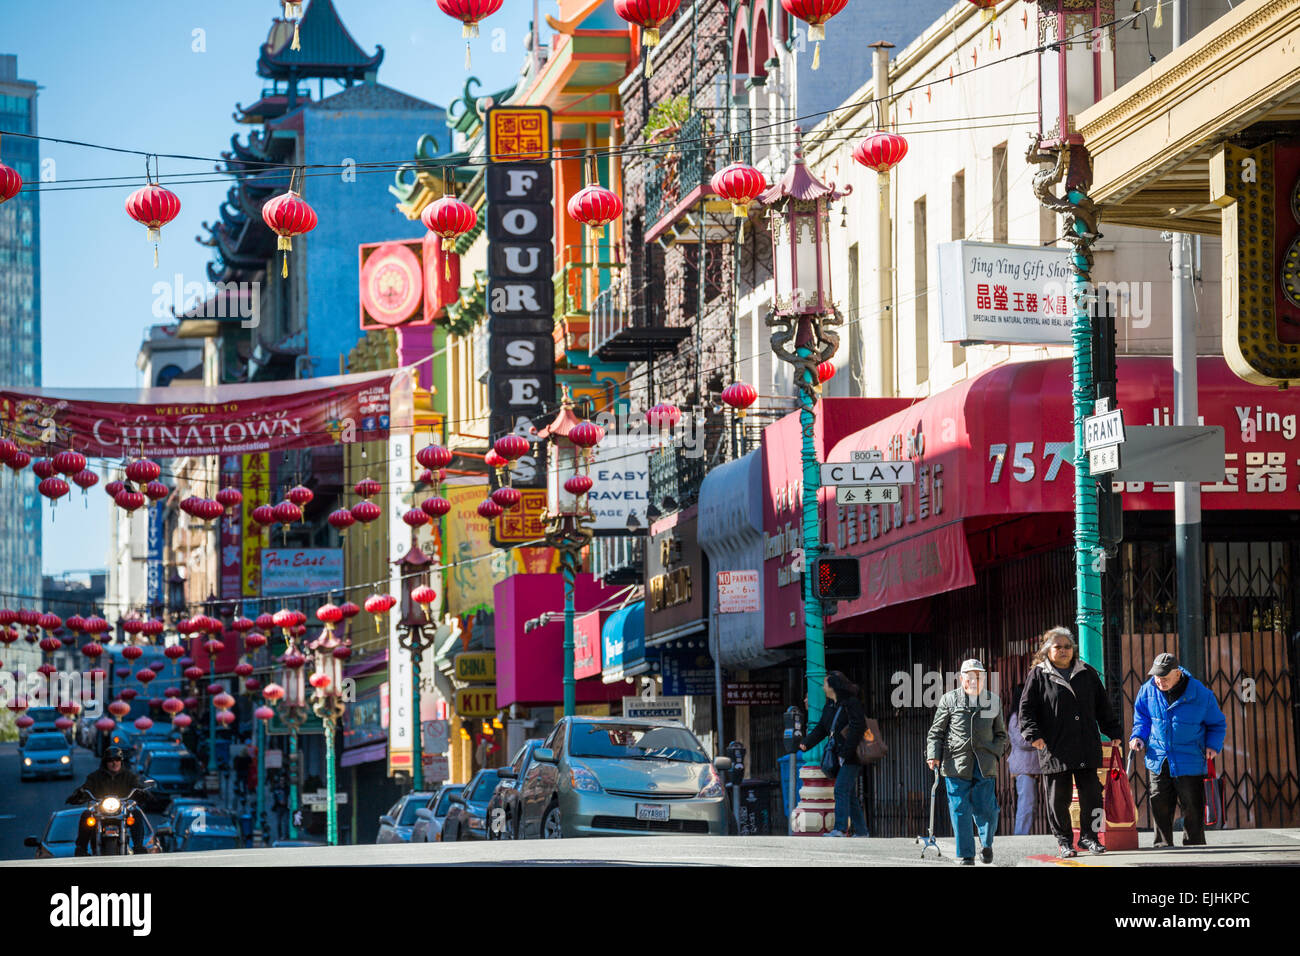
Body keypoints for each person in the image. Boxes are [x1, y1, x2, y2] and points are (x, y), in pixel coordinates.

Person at [1018, 626, 1123, 858]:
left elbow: (1102, 706)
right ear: (1048, 650)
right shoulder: (1039, 675)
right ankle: (1064, 841)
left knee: (1092, 794)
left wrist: (1113, 730)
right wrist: (1033, 735)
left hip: (1086, 745)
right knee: (1058, 798)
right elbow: (1026, 709)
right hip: (1055, 748)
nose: (1064, 651)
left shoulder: (1087, 672)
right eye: (1058, 647)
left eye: (1067, 647)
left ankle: (1091, 837)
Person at [1129, 652, 1227, 848]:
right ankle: (1162, 845)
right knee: (1159, 803)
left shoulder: (1201, 694)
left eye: (1164, 677)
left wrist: (1212, 745)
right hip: (1159, 757)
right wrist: (1138, 736)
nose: (1159, 681)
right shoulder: (1147, 690)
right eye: (1156, 676)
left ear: (1177, 673)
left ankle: (1194, 844)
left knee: (1192, 804)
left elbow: (1217, 724)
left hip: (1190, 758)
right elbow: (1142, 719)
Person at [926, 659, 1009, 865]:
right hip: (955, 763)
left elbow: (1001, 734)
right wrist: (933, 755)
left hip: (984, 764)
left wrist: (995, 754)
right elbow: (936, 732)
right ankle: (966, 854)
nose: (974, 680)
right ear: (961, 678)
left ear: (984, 679)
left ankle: (986, 843)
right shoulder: (949, 700)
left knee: (987, 808)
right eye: (969, 676)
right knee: (959, 809)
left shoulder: (993, 701)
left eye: (978, 676)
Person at [798, 671, 869, 838]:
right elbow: (822, 728)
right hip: (839, 755)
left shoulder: (851, 703)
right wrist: (806, 743)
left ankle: (840, 829)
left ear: (833, 686)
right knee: (849, 793)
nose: (823, 687)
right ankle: (861, 831)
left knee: (840, 789)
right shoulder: (830, 706)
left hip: (852, 755)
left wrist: (846, 752)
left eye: (825, 683)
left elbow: (858, 727)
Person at [65, 746, 152, 855]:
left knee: (136, 813)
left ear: (121, 761)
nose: (114, 763)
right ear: (105, 762)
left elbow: (137, 786)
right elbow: (86, 787)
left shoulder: (129, 776)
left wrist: (144, 792)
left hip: (122, 810)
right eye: (110, 760)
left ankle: (138, 846)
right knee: (86, 815)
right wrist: (79, 793)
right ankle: (81, 849)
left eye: (117, 759)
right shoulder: (95, 777)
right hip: (100, 811)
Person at [1006, 684, 1041, 835]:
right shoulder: (1016, 717)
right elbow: (1021, 741)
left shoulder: (1026, 715)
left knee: (1030, 803)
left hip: (1030, 766)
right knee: (1026, 803)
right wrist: (1040, 740)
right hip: (1024, 767)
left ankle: (1023, 834)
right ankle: (1020, 836)